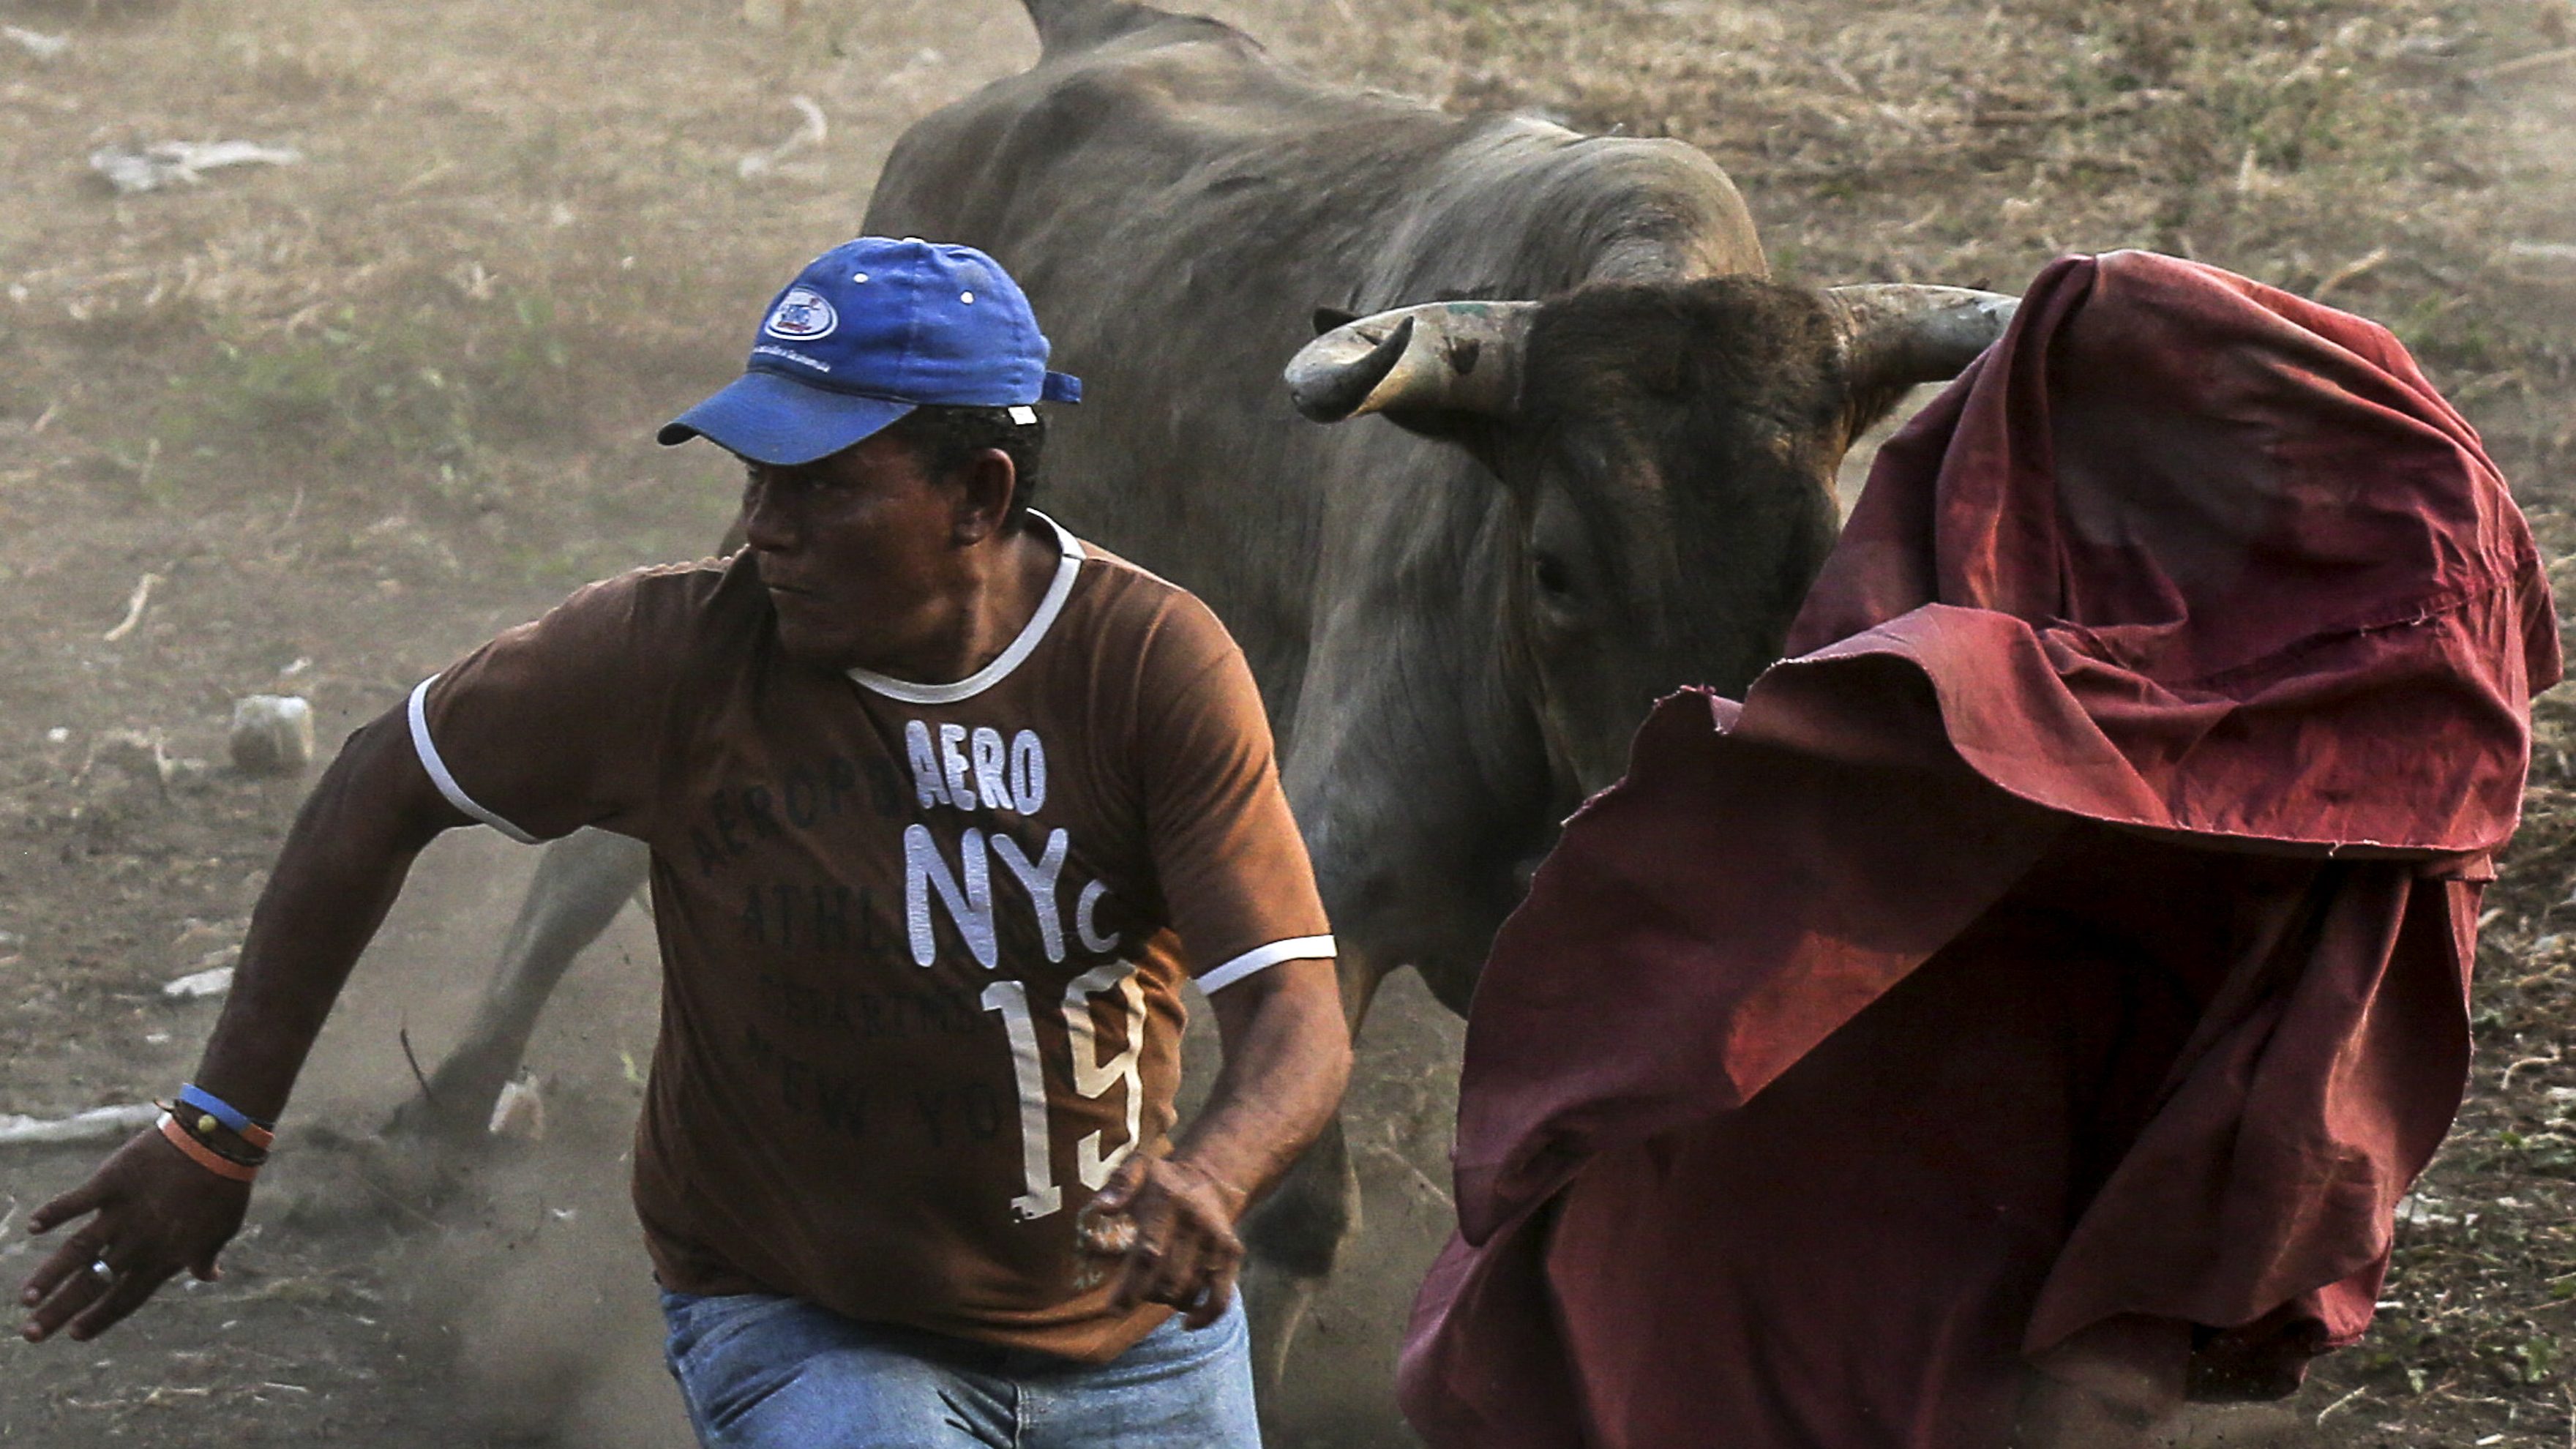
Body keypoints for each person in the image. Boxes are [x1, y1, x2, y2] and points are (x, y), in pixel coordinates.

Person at [18, 237, 1354, 1449]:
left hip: (1137, 1347)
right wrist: (214, 1133)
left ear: (978, 493)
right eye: (758, 473)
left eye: (823, 487)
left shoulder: (1149, 666)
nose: (764, 527)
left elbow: (1294, 1000)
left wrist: (1210, 1172)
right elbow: (377, 785)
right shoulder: (667, 656)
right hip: (816, 1320)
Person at [1396, 250, 2559, 1448]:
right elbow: (2316, 1094)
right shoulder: (2369, 722)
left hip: (1914, 1170)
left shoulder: (1925, 695)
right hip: (1965, 1170)